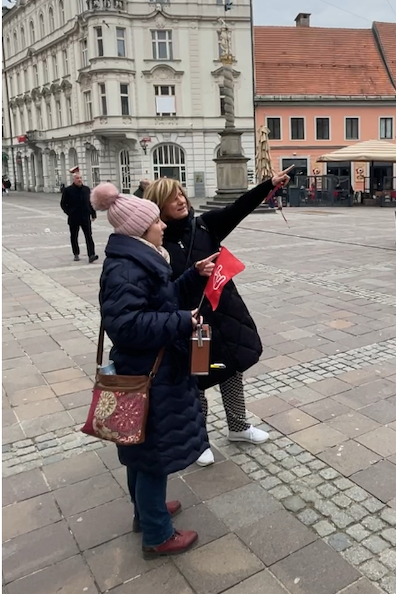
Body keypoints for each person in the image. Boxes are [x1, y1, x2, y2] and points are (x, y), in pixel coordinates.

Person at [91, 182, 217, 558]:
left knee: (141, 450)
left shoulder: (141, 259)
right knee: (152, 458)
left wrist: (192, 276)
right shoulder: (127, 268)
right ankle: (158, 535)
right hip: (149, 373)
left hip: (153, 369)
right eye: (156, 220)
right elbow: (126, 326)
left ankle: (146, 513)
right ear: (139, 228)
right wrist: (181, 322)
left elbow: (158, 300)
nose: (163, 224)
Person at [144, 167, 293, 465]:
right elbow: (161, 292)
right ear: (159, 206)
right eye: (172, 198)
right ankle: (200, 441)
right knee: (198, 378)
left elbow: (239, 207)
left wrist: (269, 185)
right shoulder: (155, 243)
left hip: (225, 313)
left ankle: (238, 427)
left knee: (231, 368)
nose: (181, 200)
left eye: (181, 193)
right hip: (193, 322)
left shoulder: (205, 226)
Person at [60, 168, 99, 262]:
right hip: (74, 217)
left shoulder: (86, 189)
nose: (79, 180)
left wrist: (93, 213)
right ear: (74, 180)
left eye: (80, 178)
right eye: (77, 178)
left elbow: (91, 202)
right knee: (74, 236)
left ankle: (91, 255)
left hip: (85, 216)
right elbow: (63, 204)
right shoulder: (68, 190)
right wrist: (69, 212)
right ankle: (76, 253)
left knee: (89, 236)